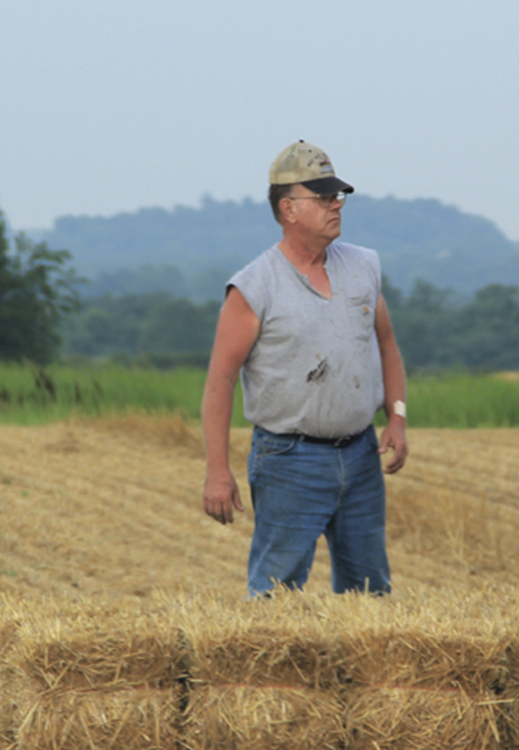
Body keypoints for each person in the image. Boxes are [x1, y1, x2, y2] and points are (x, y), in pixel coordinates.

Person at [201, 140, 409, 597]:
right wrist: (218, 469)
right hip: (288, 460)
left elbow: (387, 344)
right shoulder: (255, 286)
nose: (337, 205)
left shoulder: (363, 266)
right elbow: (219, 381)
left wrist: (396, 416)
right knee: (276, 595)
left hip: (360, 455)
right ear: (289, 209)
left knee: (369, 592)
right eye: (324, 197)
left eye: (339, 196)